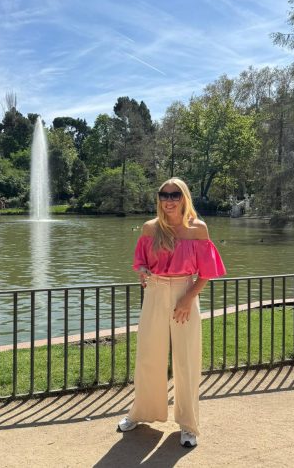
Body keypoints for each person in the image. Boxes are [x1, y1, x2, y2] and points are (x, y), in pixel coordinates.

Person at [117, 177, 226, 448]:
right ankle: (140, 413)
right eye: (164, 195)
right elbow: (141, 261)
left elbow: (206, 272)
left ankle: (188, 425)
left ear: (184, 197)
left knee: (187, 360)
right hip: (154, 292)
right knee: (148, 356)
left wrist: (188, 298)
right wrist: (143, 272)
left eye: (175, 195)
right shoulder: (150, 228)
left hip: (184, 291)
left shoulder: (197, 229)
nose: (169, 200)